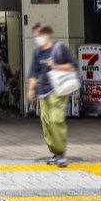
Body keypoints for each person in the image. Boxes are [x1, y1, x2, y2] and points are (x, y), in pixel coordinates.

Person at [25, 23, 76, 167]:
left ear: (47, 34)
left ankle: (61, 153)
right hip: (43, 91)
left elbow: (73, 66)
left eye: (39, 35)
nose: (37, 38)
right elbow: (34, 72)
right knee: (46, 123)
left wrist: (57, 66)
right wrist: (31, 90)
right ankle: (56, 152)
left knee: (56, 120)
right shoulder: (37, 52)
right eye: (36, 35)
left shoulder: (59, 49)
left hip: (58, 91)